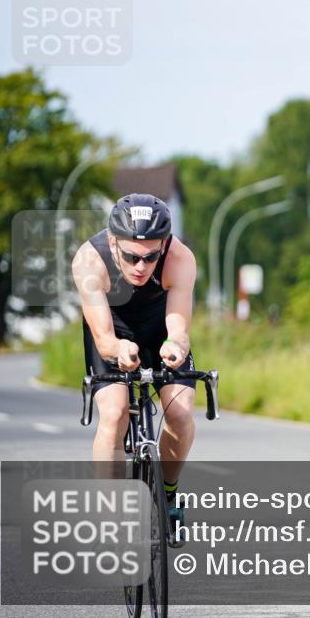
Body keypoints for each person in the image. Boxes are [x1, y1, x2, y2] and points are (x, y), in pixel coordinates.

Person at [72, 194, 198, 537]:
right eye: (131, 257)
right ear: (113, 243)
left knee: (182, 413)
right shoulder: (89, 260)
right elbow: (103, 339)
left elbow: (179, 327)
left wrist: (176, 344)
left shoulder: (179, 257)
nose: (141, 267)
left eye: (150, 257)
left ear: (164, 245)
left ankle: (169, 496)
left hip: (160, 327)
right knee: (113, 414)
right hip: (113, 329)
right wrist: (118, 347)